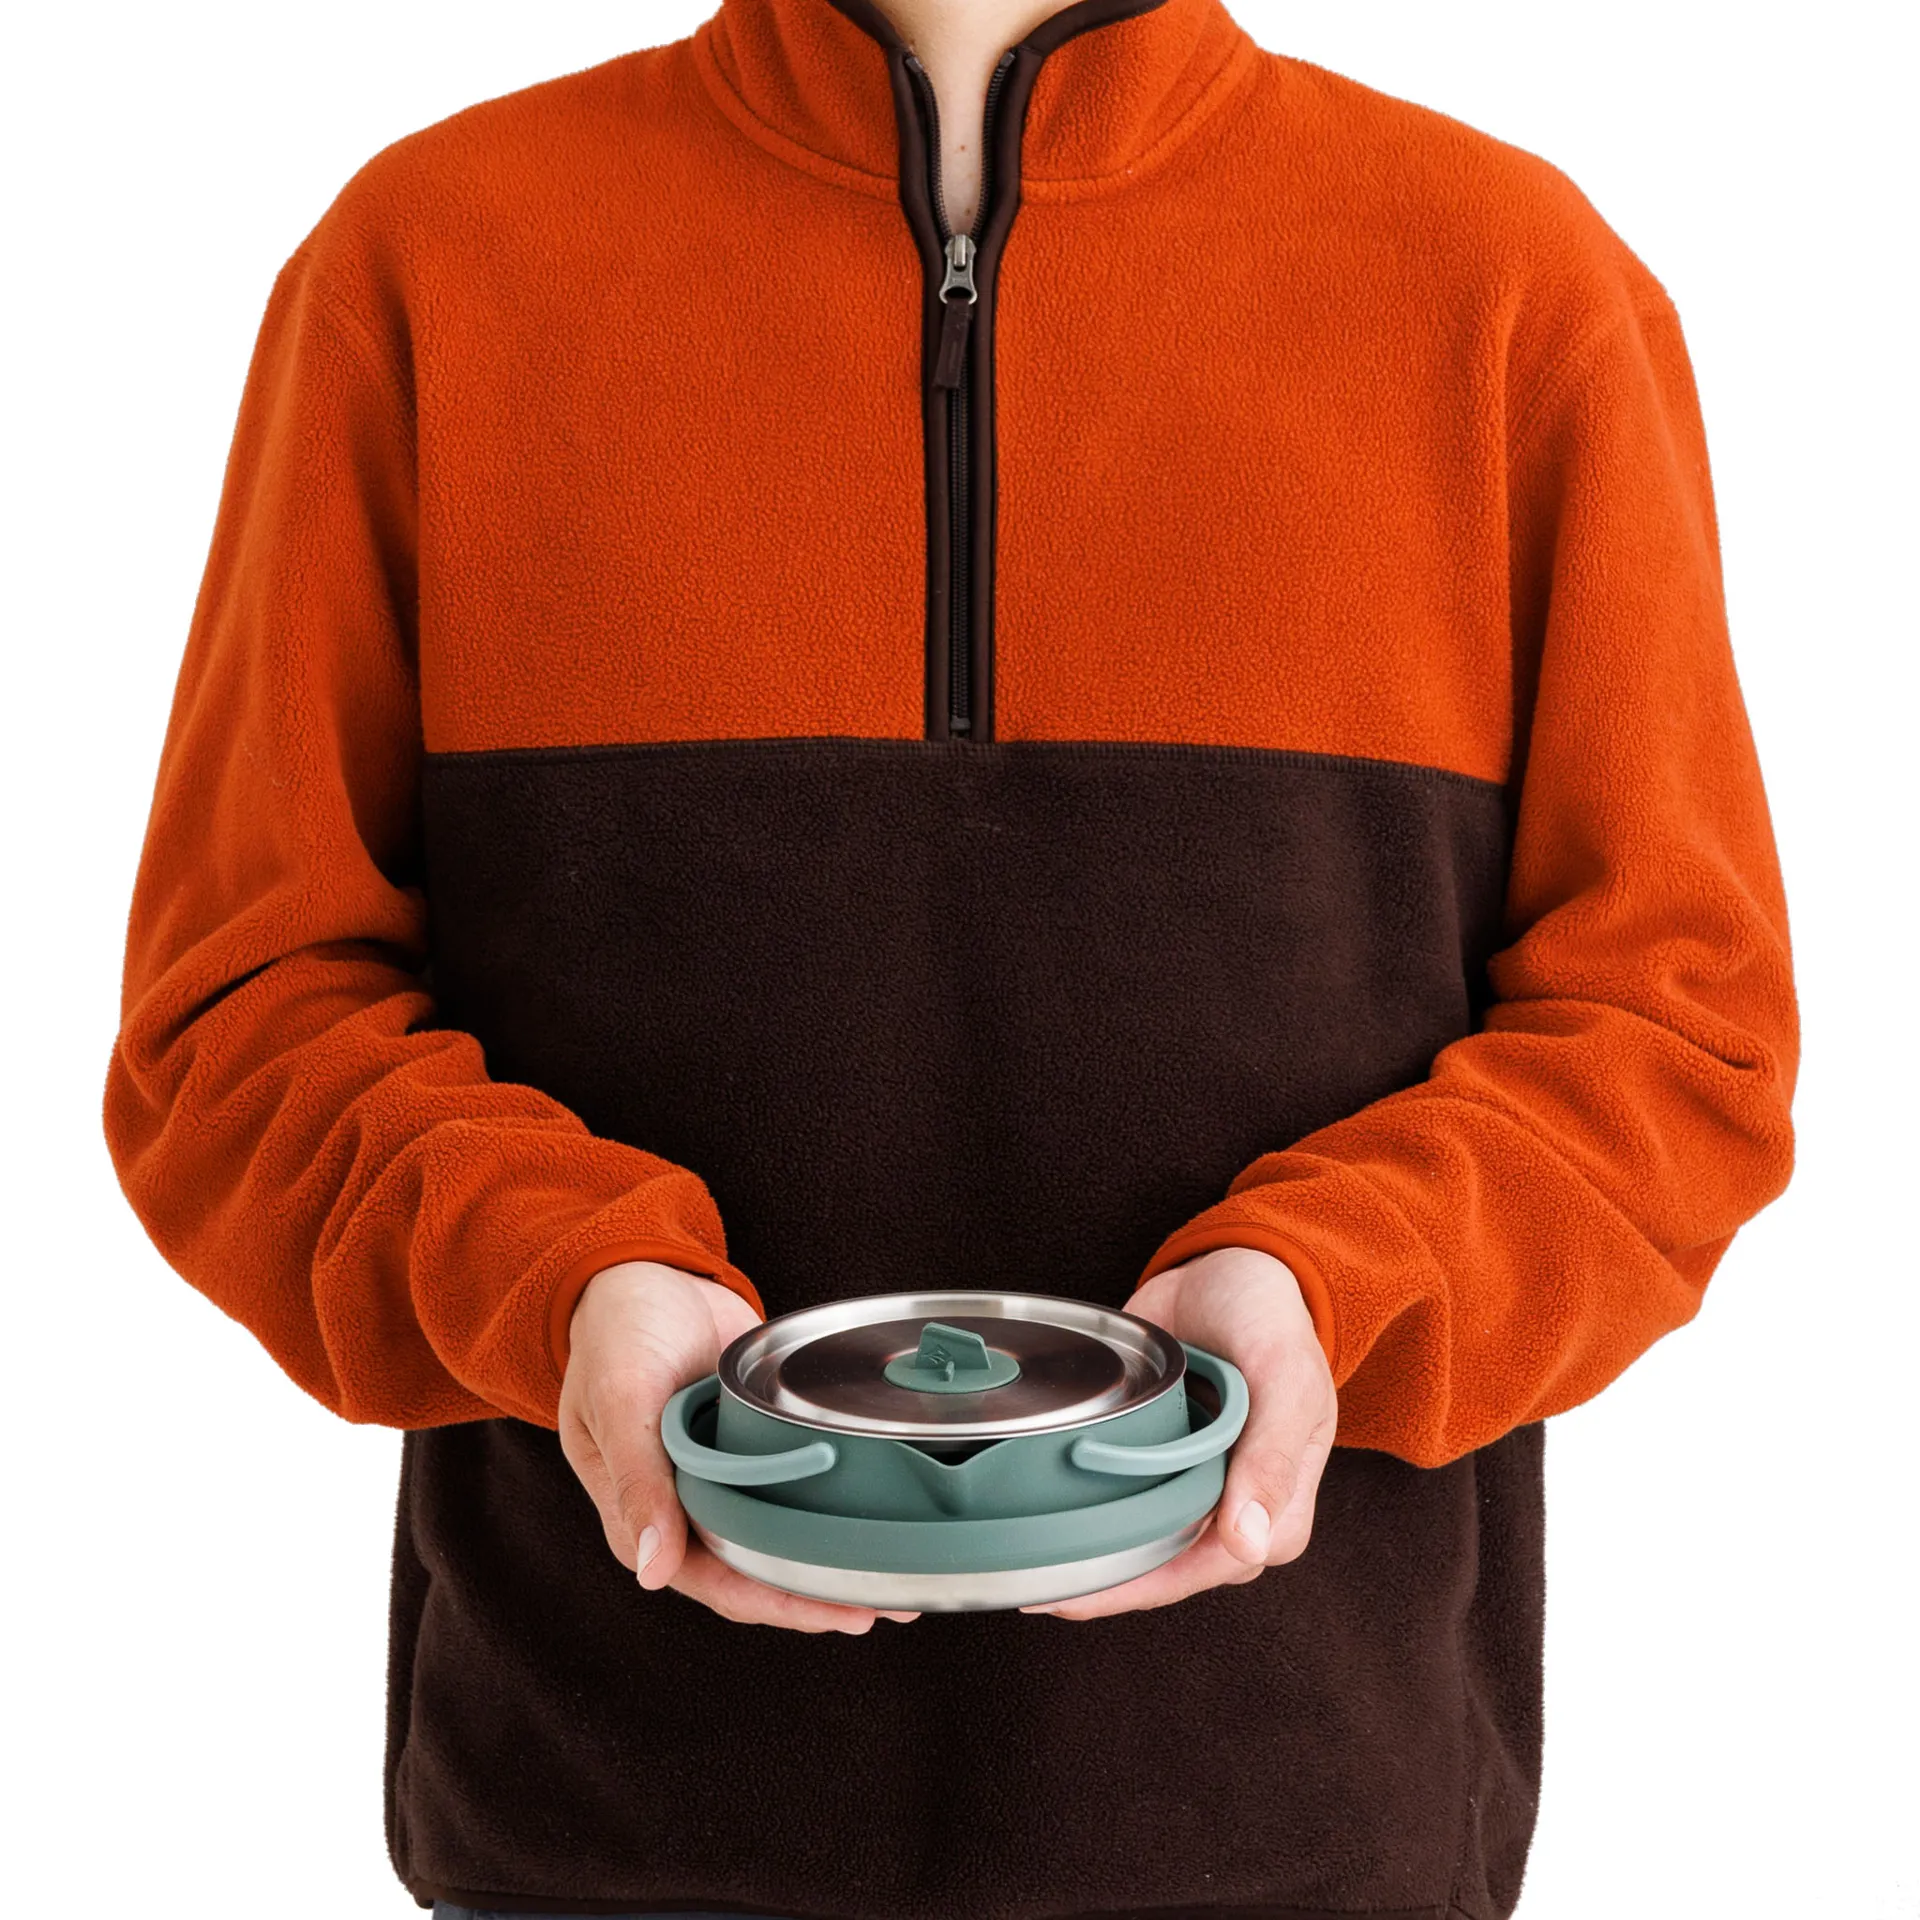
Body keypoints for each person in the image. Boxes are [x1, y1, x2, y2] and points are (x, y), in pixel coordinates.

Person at [104, 0, 1799, 1909]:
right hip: (603, 1830)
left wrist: (1335, 1284)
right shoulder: (426, 262)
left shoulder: (1508, 286)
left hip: (1309, 1833)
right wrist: (561, 1279)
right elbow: (234, 1023)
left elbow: (1683, 1040)